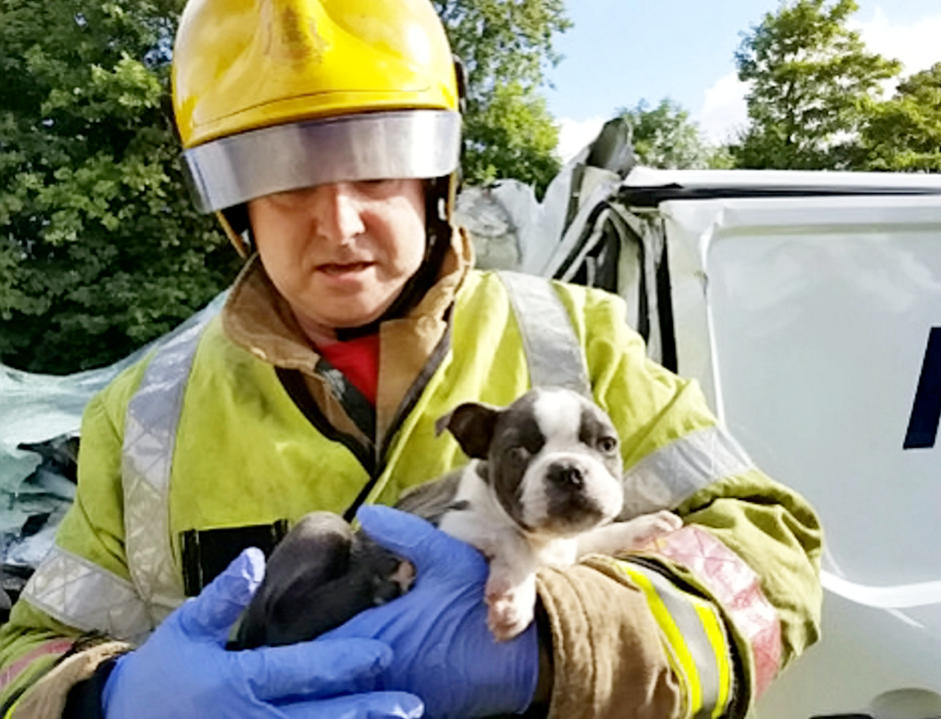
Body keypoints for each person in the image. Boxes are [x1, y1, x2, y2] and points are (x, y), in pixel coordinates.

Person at [0, 0, 823, 717]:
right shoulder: (147, 410)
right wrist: (106, 701)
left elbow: (773, 560)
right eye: (283, 173)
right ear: (235, 206)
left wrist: (557, 641)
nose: (341, 221)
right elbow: (25, 652)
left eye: (376, 159)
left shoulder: (582, 340)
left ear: (436, 172)